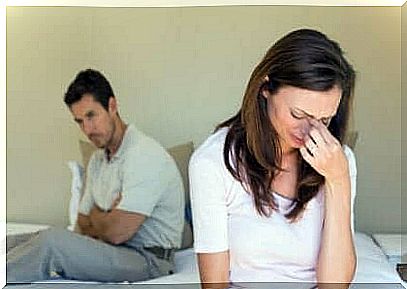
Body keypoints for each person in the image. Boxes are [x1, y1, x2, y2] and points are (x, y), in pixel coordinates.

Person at [189, 29, 357, 288]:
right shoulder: (212, 162)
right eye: (298, 114)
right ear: (265, 87)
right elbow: (215, 285)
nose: (310, 131)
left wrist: (338, 179)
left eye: (324, 120)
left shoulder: (338, 160)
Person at [7, 69, 185, 283]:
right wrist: (107, 216)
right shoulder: (97, 160)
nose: (87, 129)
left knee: (51, 242)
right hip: (110, 248)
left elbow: (117, 233)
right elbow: (83, 223)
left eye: (91, 116)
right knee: (19, 241)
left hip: (148, 259)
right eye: (79, 121)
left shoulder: (144, 155)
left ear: (112, 106)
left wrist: (98, 216)